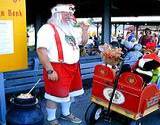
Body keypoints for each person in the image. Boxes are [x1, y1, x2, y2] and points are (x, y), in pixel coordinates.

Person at [36, 4, 89, 125]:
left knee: (70, 93)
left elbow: (83, 43)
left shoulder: (71, 29)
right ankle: (51, 118)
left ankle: (65, 114)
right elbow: (41, 50)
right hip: (57, 67)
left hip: (74, 67)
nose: (70, 16)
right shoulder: (47, 29)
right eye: (67, 13)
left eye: (71, 14)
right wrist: (49, 70)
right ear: (57, 14)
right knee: (53, 95)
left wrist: (85, 30)